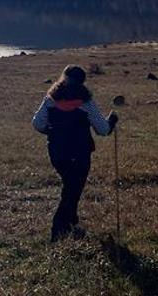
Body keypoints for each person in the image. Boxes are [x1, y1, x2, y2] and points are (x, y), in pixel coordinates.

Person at [31, 64, 118, 241]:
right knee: (72, 189)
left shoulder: (51, 99)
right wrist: (112, 121)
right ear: (82, 82)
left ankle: (70, 221)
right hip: (80, 152)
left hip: (57, 151)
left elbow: (37, 123)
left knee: (70, 186)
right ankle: (59, 228)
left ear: (63, 78)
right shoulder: (86, 103)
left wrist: (52, 131)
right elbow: (102, 129)